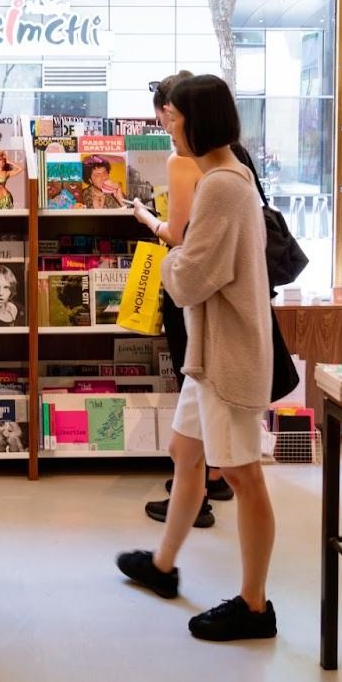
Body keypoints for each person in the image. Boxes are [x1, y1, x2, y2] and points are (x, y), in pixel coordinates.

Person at [116, 74, 278, 642]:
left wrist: (162, 263)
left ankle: (255, 606)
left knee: (242, 475)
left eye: (175, 117)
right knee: (185, 452)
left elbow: (188, 279)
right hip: (211, 354)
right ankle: (163, 566)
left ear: (198, 121)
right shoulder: (227, 177)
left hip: (227, 357)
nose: (169, 125)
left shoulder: (222, 187)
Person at [131, 72, 232, 523]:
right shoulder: (234, 163)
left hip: (198, 295)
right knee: (202, 403)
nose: (168, 130)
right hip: (227, 301)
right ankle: (209, 480)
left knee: (193, 375)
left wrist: (147, 220)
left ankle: (197, 497)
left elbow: (181, 237)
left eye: (168, 120)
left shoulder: (188, 165)